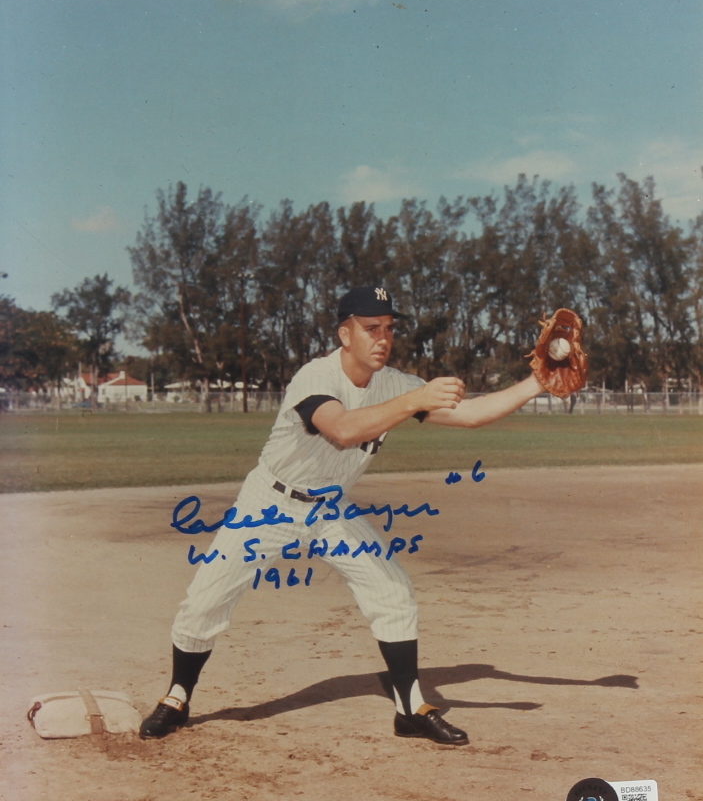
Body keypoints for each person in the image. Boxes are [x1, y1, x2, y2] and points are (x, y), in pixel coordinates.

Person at [140, 286, 544, 745]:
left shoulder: (394, 383)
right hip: (268, 503)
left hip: (330, 509)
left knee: (392, 589)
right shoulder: (316, 377)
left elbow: (472, 414)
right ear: (344, 334)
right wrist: (417, 400)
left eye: (389, 329)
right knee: (206, 600)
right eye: (371, 328)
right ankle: (176, 697)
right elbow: (345, 429)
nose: (383, 338)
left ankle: (409, 707)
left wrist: (538, 383)